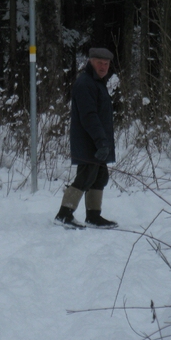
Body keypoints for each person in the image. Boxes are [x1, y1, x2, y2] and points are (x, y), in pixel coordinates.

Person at [54, 47, 118, 229]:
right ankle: (64, 214)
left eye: (106, 64)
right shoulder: (85, 83)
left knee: (100, 177)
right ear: (91, 62)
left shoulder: (97, 83)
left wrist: (103, 141)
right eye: (100, 63)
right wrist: (101, 141)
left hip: (97, 140)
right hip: (88, 141)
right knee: (85, 177)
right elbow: (89, 116)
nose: (103, 67)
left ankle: (93, 216)